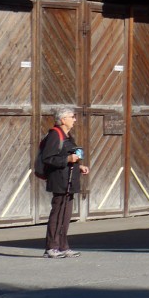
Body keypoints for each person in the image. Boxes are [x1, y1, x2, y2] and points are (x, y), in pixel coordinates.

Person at [39, 107, 88, 258]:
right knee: (58, 213)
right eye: (72, 117)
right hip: (59, 180)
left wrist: (79, 166)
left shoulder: (67, 135)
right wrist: (67, 159)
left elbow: (69, 156)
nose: (74, 119)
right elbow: (48, 158)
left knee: (66, 215)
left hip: (69, 180)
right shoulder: (55, 135)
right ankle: (51, 247)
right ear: (63, 119)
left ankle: (63, 246)